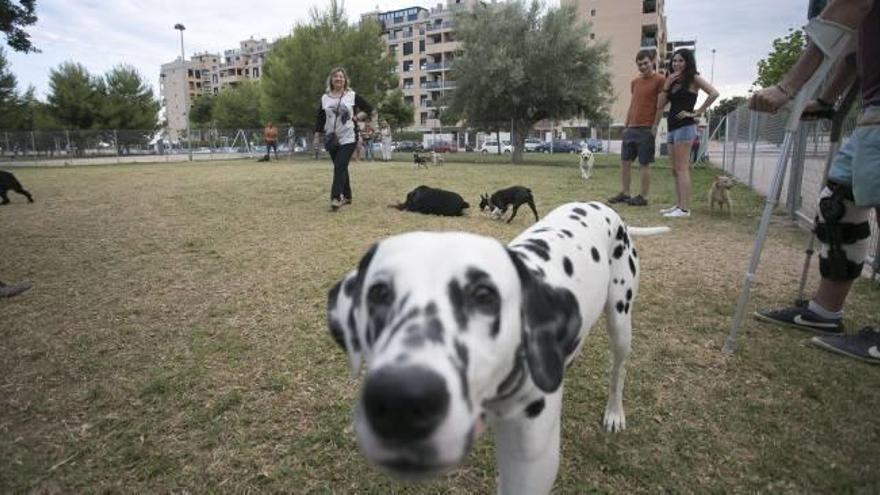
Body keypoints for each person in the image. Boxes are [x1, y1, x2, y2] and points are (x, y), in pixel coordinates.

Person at [751, 0, 880, 364]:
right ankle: (825, 313)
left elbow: (850, 6)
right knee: (837, 204)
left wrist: (788, 86)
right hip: (873, 107)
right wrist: (825, 98)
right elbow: (854, 47)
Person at [656, 48, 719, 218]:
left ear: (687, 62)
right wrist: (667, 85)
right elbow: (660, 105)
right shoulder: (673, 81)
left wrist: (697, 112)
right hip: (672, 128)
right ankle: (678, 205)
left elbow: (714, 93)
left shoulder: (693, 78)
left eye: (681, 60)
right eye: (674, 61)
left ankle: (684, 209)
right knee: (675, 169)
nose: (677, 64)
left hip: (685, 127)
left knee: (682, 168)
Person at [608, 50, 666, 207]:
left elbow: (660, 106)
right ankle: (625, 193)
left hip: (646, 128)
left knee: (644, 164)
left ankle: (643, 196)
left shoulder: (660, 80)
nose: (643, 67)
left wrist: (655, 126)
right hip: (631, 128)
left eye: (645, 63)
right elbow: (633, 104)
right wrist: (626, 125)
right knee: (625, 162)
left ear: (652, 61)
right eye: (639, 64)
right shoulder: (635, 82)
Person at [314, 67, 373, 211]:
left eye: (341, 76)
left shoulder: (351, 95)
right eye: (335, 76)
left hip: (349, 137)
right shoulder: (325, 98)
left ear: (345, 80)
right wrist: (317, 136)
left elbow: (369, 109)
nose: (338, 79)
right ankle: (348, 196)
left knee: (339, 166)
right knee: (341, 167)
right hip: (331, 138)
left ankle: (336, 198)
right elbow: (320, 119)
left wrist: (356, 117)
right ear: (331, 80)